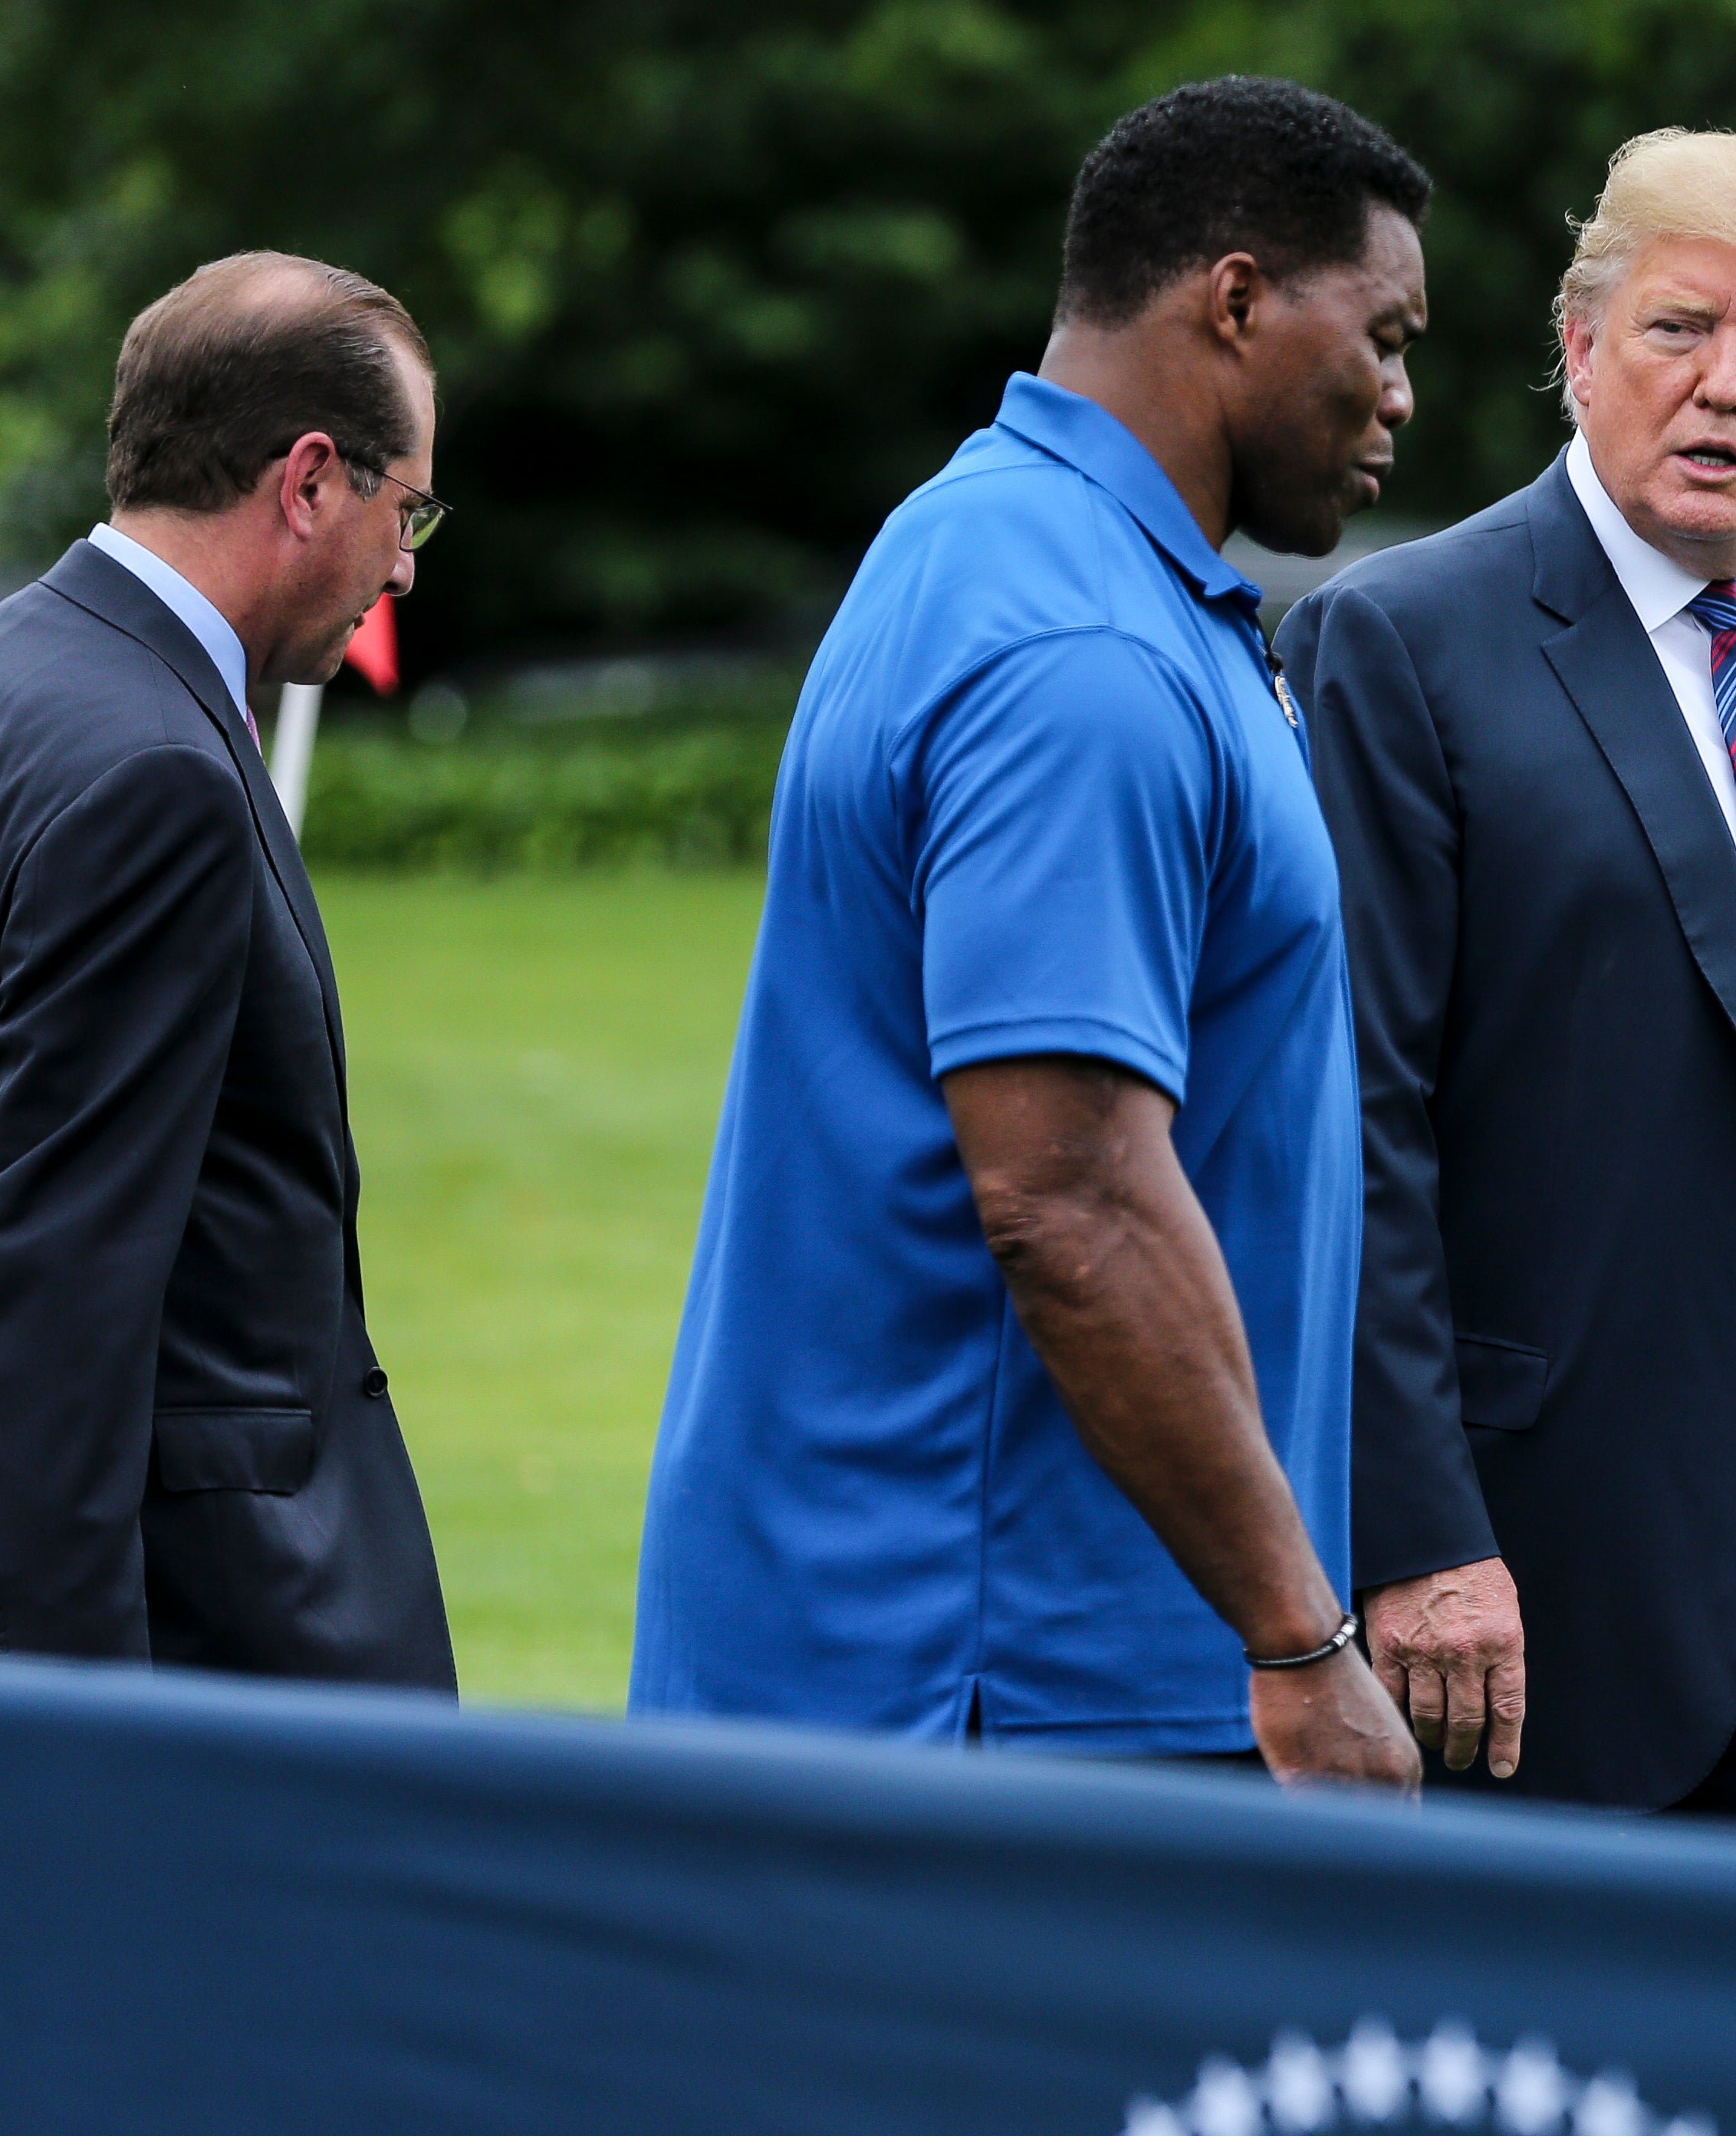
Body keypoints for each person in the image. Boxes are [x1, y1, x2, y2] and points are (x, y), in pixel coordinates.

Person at [628, 78, 1425, 1792]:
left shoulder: (995, 541)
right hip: (1003, 1683)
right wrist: (1300, 1639)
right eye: (1384, 337)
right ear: (1234, 300)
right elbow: (1065, 1199)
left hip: (976, 1658)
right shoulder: (1083, 655)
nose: (1401, 399)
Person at [1278, 130, 1736, 1835]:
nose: (1722, 386)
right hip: (1536, 1581)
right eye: (1675, 330)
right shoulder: (1403, 645)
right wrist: (1416, 1535)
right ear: (1577, 348)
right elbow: (1357, 1122)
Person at [0, 254, 458, 1683]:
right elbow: (50, 1294)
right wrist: (70, 1745)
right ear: (309, 480)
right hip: (205, 1655)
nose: (405, 565)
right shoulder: (155, 773)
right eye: (406, 508)